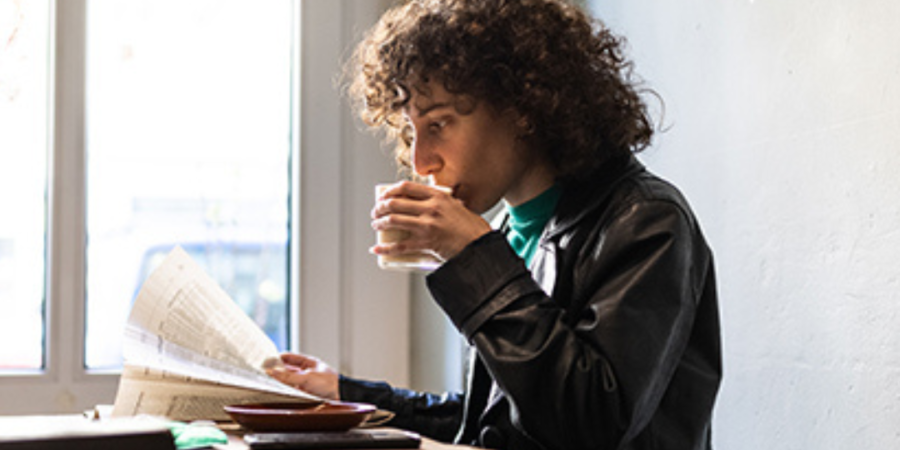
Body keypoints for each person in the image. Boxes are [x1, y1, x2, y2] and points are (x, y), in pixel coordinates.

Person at [267, 0, 722, 449]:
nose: (421, 160)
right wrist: (347, 395)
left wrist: (476, 260)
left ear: (522, 106)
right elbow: (495, 418)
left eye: (439, 123)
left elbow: (592, 423)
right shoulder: (510, 230)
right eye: (412, 129)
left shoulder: (647, 221)